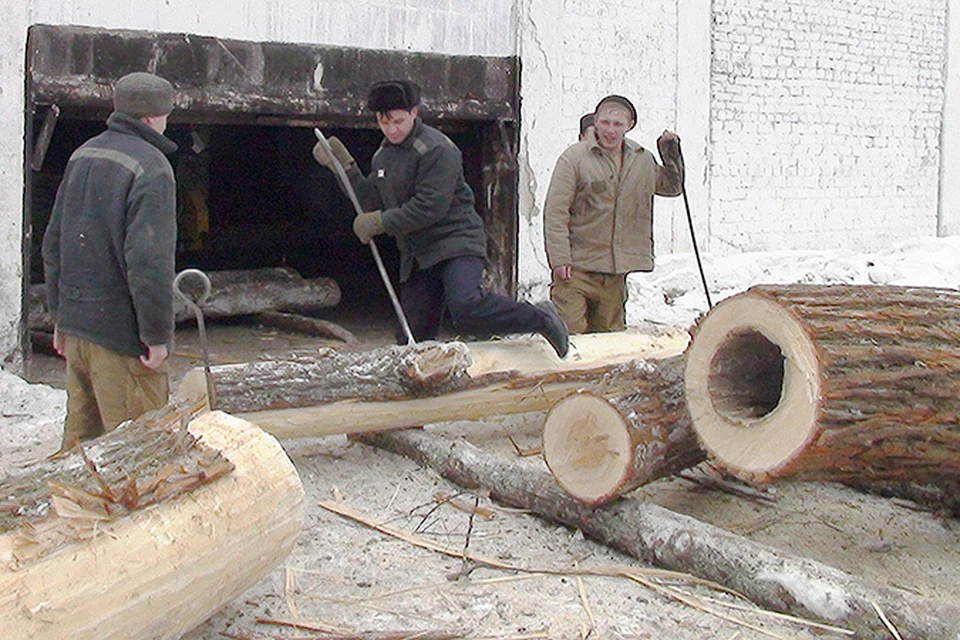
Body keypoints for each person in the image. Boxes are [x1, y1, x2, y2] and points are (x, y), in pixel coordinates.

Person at [312, 79, 569, 357]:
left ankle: (539, 317)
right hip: (418, 254)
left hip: (455, 242)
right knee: (413, 338)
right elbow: (370, 201)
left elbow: (429, 207)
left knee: (466, 307)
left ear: (414, 112)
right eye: (385, 123)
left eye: (398, 121)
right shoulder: (383, 156)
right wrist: (344, 168)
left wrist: (379, 223)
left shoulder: (437, 149)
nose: (392, 129)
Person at [42, 71, 178, 450]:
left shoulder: (82, 155)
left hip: (78, 330)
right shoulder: (152, 168)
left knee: (80, 452)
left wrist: (60, 317)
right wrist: (155, 335)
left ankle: (66, 510)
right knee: (137, 453)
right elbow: (148, 262)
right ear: (153, 117)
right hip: (121, 340)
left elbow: (53, 242)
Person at [543, 95, 684, 334]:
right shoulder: (574, 158)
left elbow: (673, 187)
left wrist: (670, 154)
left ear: (629, 125)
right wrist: (559, 259)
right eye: (605, 122)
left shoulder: (642, 160)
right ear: (595, 122)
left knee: (610, 340)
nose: (610, 130)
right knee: (571, 337)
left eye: (617, 124)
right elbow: (555, 212)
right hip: (576, 269)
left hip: (615, 274)